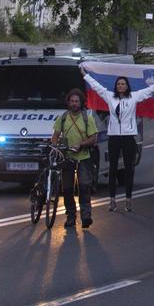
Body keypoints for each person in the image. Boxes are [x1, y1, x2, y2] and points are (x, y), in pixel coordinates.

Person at [82, 65, 154, 212]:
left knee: (129, 169)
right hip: (114, 138)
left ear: (127, 86)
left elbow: (151, 90)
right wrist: (85, 75)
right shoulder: (109, 96)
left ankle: (128, 200)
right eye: (118, 84)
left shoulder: (134, 96)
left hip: (129, 137)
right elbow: (97, 87)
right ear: (116, 86)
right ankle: (112, 200)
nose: (120, 86)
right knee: (112, 170)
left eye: (123, 84)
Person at [52, 88, 98, 230]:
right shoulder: (63, 117)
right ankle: (71, 216)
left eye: (76, 101)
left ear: (81, 102)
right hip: (67, 157)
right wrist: (55, 147)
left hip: (84, 157)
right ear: (68, 102)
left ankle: (86, 216)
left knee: (84, 187)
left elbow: (93, 138)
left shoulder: (87, 118)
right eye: (72, 101)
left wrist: (81, 145)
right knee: (67, 189)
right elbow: (55, 135)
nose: (74, 104)